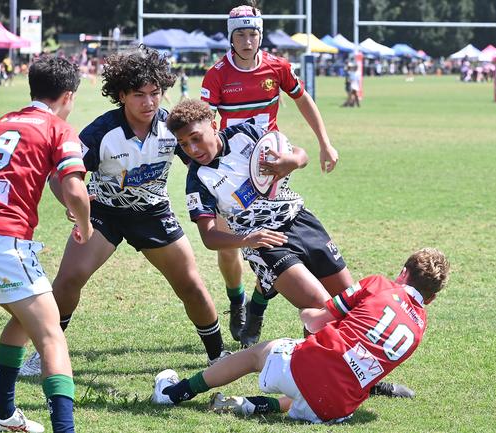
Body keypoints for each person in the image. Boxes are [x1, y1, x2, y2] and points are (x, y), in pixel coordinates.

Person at [166, 99, 412, 398]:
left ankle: (362, 381)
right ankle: (317, 383)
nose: (192, 149)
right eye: (183, 143)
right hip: (265, 244)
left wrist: (292, 162)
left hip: (302, 222)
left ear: (214, 125)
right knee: (322, 309)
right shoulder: (198, 179)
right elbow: (209, 237)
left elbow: (300, 154)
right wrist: (248, 240)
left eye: (195, 138)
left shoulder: (248, 133)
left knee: (351, 306)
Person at [19, 46, 229, 377]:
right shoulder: (101, 131)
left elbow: (202, 161)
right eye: (139, 95)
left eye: (155, 93)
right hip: (104, 214)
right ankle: (44, 354)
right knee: (69, 278)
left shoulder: (171, 127)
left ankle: (218, 355)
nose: (149, 102)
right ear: (122, 95)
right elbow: (60, 178)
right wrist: (74, 207)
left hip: (153, 212)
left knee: (190, 284)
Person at [0, 56, 92, 433]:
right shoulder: (58, 128)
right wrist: (84, 223)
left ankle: (2, 415)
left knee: (23, 317)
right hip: (3, 242)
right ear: (68, 95)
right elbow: (76, 191)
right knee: (51, 337)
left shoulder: (0, 124)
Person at [152, 248, 450, 424]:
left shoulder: (381, 284)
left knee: (258, 354)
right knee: (324, 382)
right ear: (432, 298)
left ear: (403, 272)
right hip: (335, 411)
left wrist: (307, 313)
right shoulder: (420, 328)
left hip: (308, 373)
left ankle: (173, 394)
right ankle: (250, 406)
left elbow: (318, 320)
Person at [200, 4, 340, 346]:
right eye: (241, 35)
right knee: (229, 248)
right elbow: (204, 122)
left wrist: (325, 143)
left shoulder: (277, 67)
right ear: (231, 37)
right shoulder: (216, 75)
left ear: (260, 35)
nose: (248, 41)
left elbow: (303, 100)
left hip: (270, 167)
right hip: (231, 173)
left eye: (253, 34)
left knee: (274, 240)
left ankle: (258, 305)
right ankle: (239, 301)